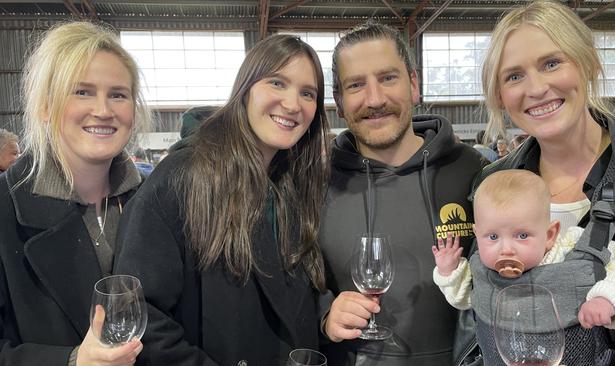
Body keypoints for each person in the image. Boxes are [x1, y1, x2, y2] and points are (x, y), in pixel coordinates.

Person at [114, 34, 330, 366]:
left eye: (307, 93)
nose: (292, 104)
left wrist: (326, 312)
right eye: (277, 83)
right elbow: (141, 314)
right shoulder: (182, 176)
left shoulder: (290, 181)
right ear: (245, 89)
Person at [476, 0, 615, 364]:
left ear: (588, 62)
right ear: (500, 95)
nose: (536, 88)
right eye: (514, 76)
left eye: (551, 63)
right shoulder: (490, 185)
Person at [318, 20, 485, 365]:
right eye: (356, 85)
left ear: (413, 84)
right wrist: (324, 314)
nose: (375, 98)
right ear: (338, 100)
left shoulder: (475, 173)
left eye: (388, 78)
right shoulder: (314, 184)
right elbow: (289, 284)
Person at [0, 21, 150, 365]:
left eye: (118, 94)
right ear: (46, 107)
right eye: (82, 91)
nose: (103, 110)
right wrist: (72, 360)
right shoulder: (5, 210)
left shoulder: (154, 199)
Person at [433, 169, 615, 365]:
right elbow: (465, 299)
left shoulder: (569, 251)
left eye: (522, 235)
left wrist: (607, 301)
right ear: (477, 235)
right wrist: (449, 272)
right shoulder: (482, 269)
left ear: (550, 235)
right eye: (493, 237)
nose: (506, 249)